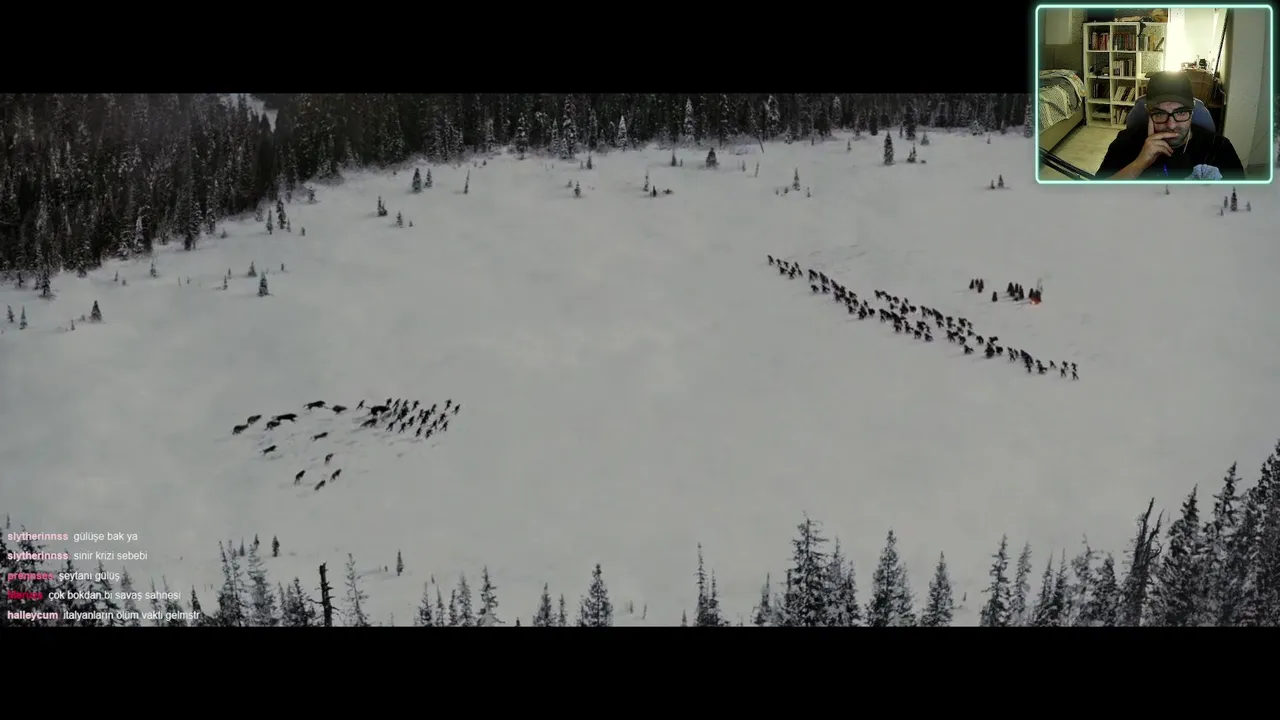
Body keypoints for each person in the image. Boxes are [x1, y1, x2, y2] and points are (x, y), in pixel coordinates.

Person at [1094, 71, 1245, 180]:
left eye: (1181, 113)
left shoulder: (1218, 149)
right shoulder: (1126, 143)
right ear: (1148, 111)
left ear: (1192, 110)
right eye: (1160, 114)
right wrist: (1138, 165)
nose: (1171, 125)